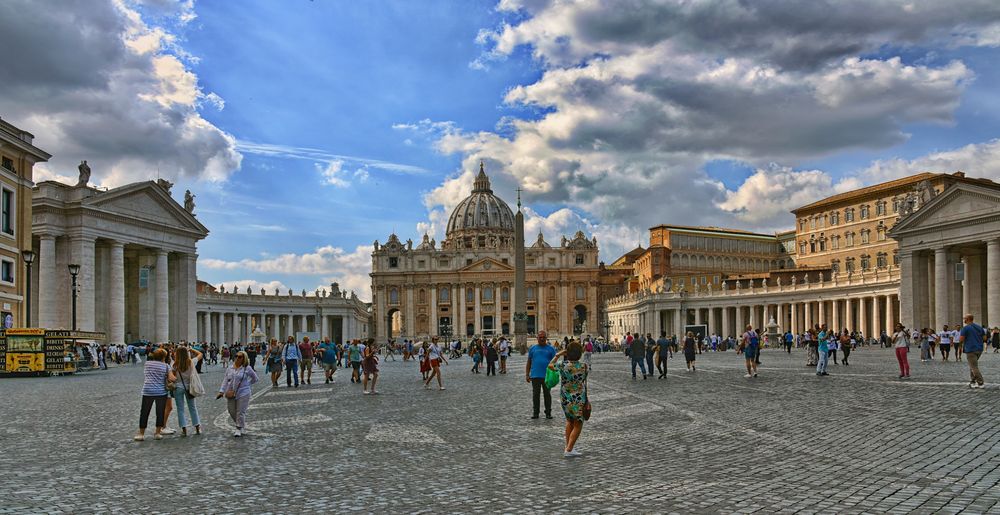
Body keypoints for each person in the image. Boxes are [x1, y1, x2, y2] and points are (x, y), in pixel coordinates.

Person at [547, 340, 588, 457]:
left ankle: (568, 446)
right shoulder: (583, 366)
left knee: (570, 420)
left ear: (567, 353)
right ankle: (569, 449)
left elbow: (550, 366)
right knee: (578, 423)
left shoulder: (562, 365)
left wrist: (558, 355)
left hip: (565, 397)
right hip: (579, 397)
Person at [134, 348, 175, 441]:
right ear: (164, 357)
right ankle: (157, 433)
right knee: (160, 412)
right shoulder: (166, 366)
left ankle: (141, 433)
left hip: (147, 390)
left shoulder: (147, 364)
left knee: (144, 412)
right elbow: (172, 378)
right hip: (161, 392)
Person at [216, 351, 258, 437]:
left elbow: (255, 379)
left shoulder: (247, 368)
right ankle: (241, 424)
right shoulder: (230, 368)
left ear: (244, 358)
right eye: (236, 356)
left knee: (240, 411)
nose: (237, 358)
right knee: (231, 410)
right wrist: (221, 391)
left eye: (239, 357)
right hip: (230, 392)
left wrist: (247, 384)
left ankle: (238, 428)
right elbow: (225, 380)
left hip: (244, 392)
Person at [172, 346, 203, 437]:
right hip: (189, 387)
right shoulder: (191, 362)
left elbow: (173, 378)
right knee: (193, 408)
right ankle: (197, 428)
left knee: (180, 409)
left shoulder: (175, 365)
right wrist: (191, 349)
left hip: (178, 388)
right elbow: (200, 354)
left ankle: (184, 429)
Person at [526, 331, 557, 419]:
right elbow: (529, 362)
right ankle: (536, 412)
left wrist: (555, 373)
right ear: (537, 338)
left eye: (544, 337)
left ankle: (548, 412)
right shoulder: (533, 348)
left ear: (546, 338)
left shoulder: (551, 349)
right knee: (536, 395)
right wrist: (527, 374)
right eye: (540, 337)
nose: (542, 339)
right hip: (535, 375)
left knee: (547, 394)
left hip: (547, 375)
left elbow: (554, 362)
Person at [959, 313, 987, 389]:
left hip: (970, 349)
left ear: (967, 319)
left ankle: (981, 383)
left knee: (974, 367)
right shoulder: (979, 327)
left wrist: (960, 345)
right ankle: (972, 382)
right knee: (972, 366)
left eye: (964, 318)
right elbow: (984, 338)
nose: (964, 320)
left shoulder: (965, 328)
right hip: (979, 349)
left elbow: (961, 339)